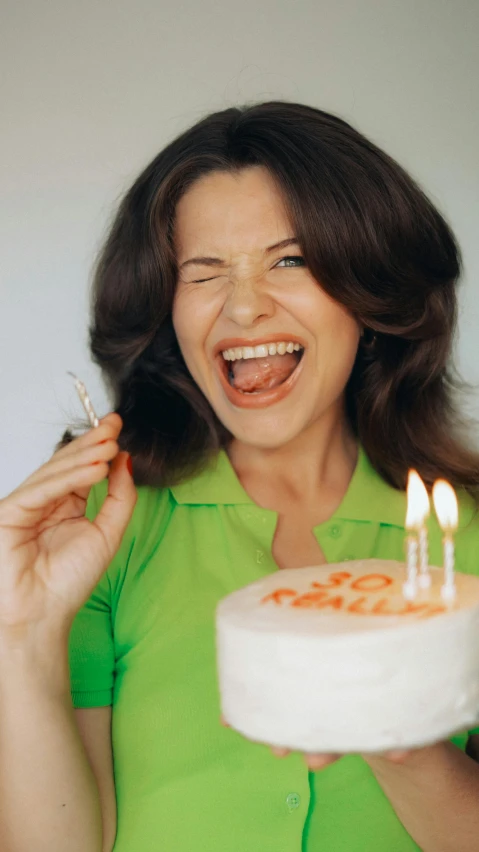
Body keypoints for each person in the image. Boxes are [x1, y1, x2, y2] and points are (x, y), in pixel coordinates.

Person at [1, 101, 479, 852]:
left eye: (290, 260)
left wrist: (402, 735)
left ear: (369, 288)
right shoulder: (96, 530)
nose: (245, 308)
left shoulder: (466, 534)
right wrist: (21, 637)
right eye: (205, 272)